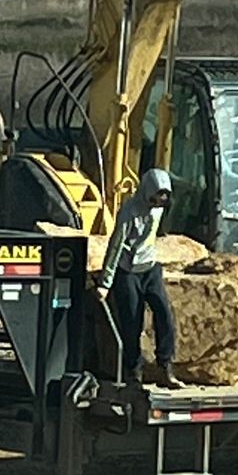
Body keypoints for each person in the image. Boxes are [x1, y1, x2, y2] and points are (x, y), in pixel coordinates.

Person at [97, 164, 178, 388]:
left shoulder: (161, 208)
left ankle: (166, 367)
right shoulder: (129, 212)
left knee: (164, 314)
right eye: (155, 197)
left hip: (150, 267)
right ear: (146, 192)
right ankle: (134, 372)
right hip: (128, 271)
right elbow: (116, 246)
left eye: (163, 198)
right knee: (132, 322)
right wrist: (105, 282)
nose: (158, 202)